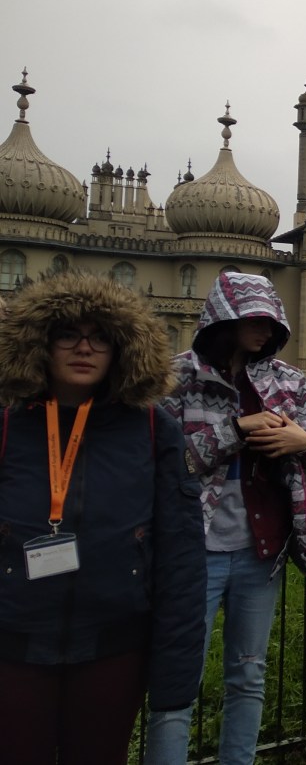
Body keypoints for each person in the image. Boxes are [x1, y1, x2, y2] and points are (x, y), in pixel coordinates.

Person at [0, 270, 206, 765]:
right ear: (39, 343)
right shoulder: (8, 426)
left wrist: (175, 674)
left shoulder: (152, 430)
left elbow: (179, 558)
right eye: (68, 334)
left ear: (121, 350)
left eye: (100, 338)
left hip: (112, 646)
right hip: (13, 645)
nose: (84, 348)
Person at [145, 272, 306, 765]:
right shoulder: (179, 378)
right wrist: (236, 430)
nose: (265, 330)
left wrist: (303, 441)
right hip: (194, 552)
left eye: (271, 321)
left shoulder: (287, 381)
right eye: (254, 319)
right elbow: (167, 464)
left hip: (259, 552)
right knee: (177, 681)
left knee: (248, 675)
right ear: (224, 318)